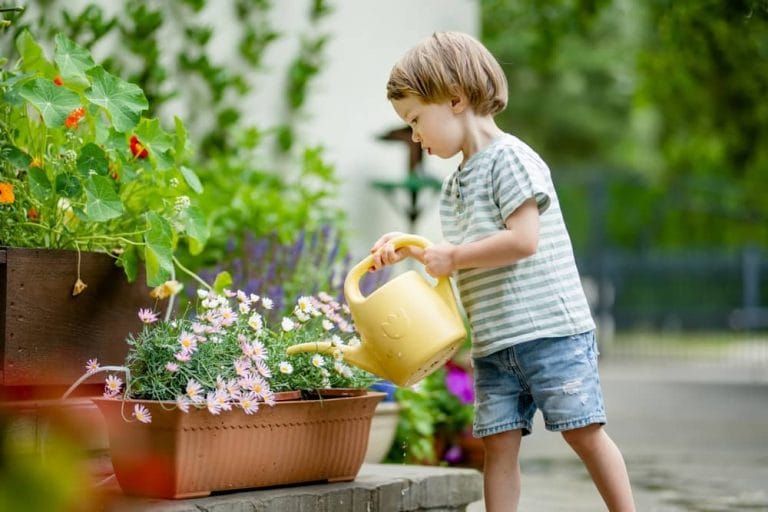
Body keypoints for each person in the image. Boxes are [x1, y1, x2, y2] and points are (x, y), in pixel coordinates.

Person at [368, 31, 635, 511]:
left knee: (584, 432)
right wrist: (415, 250)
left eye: (415, 119)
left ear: (454, 99)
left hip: (551, 333)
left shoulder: (509, 159)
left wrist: (451, 255)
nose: (414, 136)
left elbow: (521, 241)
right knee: (498, 448)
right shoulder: (454, 186)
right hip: (495, 343)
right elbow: (468, 253)